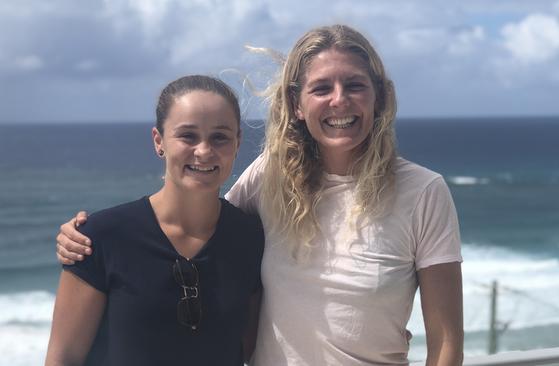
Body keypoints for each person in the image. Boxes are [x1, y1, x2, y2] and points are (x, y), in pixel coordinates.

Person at [55, 25, 464, 365]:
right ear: (297, 104)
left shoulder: (424, 192)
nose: (339, 99)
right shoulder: (271, 175)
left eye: (354, 85)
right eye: (321, 88)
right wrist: (93, 236)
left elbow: (447, 344)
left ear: (381, 97)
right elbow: (200, 223)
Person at [46, 75, 264, 366]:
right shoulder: (98, 238)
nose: (203, 150)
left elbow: (248, 351)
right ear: (159, 141)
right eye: (188, 135)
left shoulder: (251, 239)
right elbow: (64, 358)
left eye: (219, 137)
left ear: (237, 143)